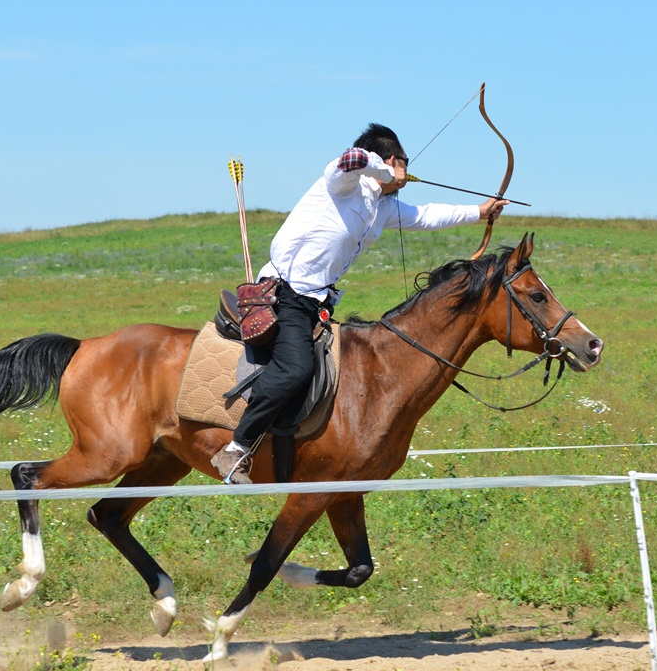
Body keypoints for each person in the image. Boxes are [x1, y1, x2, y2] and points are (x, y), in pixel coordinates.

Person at [210, 123, 508, 483]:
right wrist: (387, 172)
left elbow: (425, 215)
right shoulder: (343, 184)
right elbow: (351, 159)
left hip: (314, 302)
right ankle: (236, 448)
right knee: (295, 369)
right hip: (284, 293)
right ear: (392, 160)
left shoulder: (382, 207)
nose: (406, 174)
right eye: (405, 163)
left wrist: (480, 211)